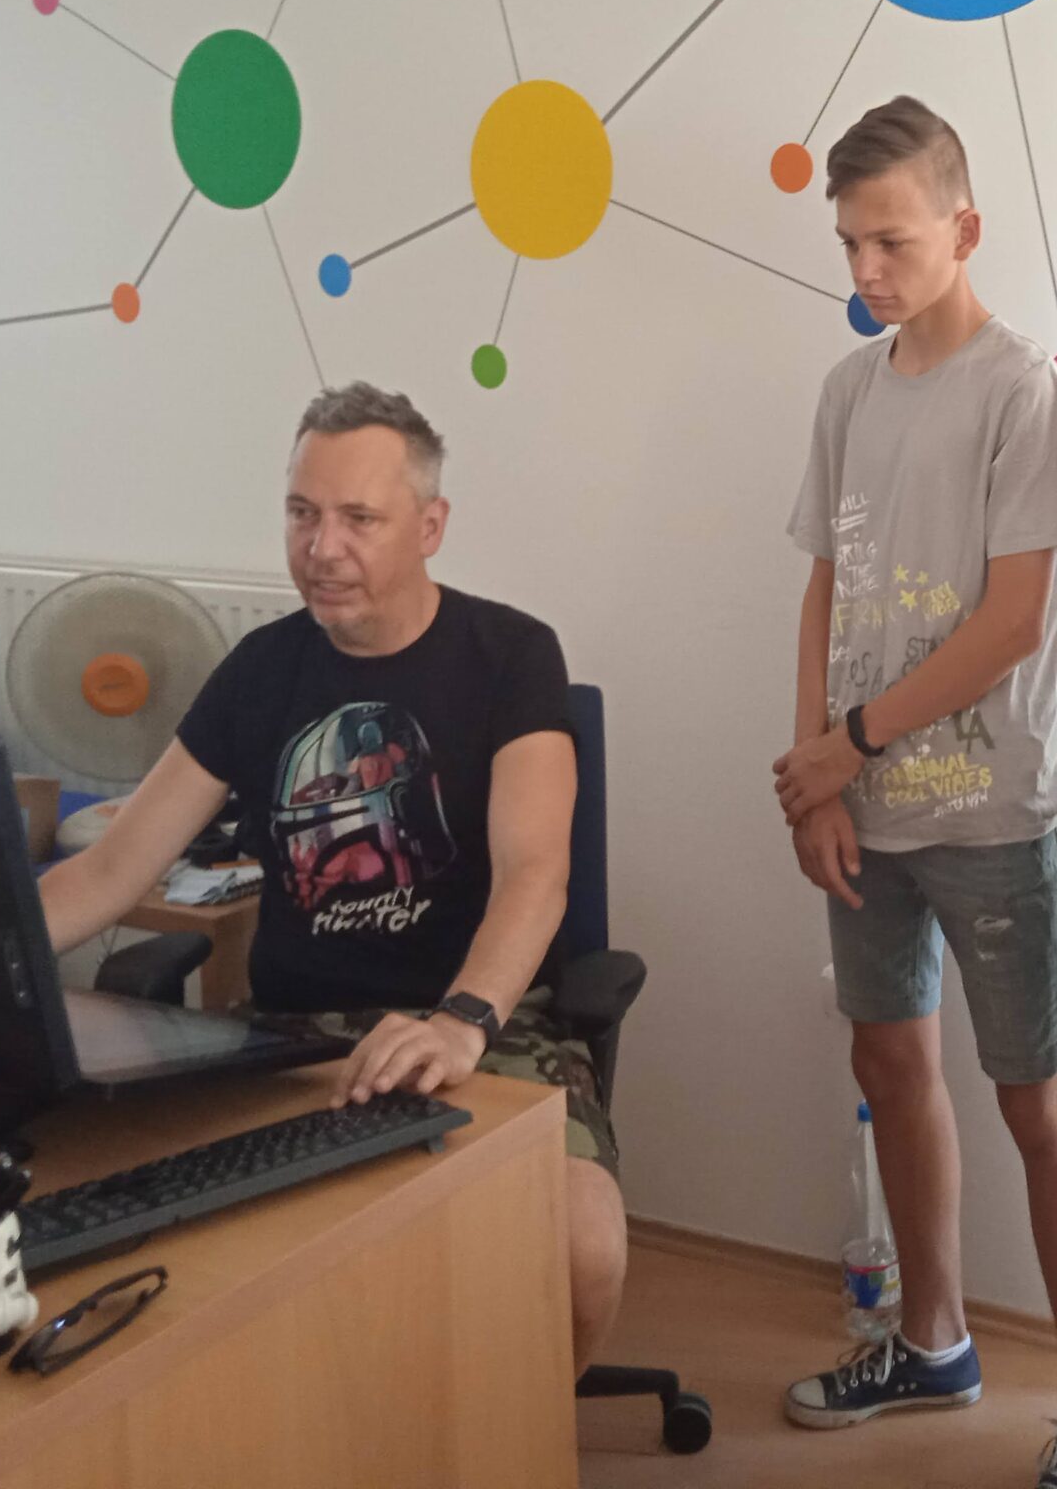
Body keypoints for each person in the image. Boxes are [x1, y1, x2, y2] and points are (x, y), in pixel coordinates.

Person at [38, 382, 628, 1370]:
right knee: (162, 1242)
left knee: (582, 1247)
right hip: (291, 1040)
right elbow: (109, 871)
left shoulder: (511, 656)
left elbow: (536, 873)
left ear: (430, 526)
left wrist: (461, 1021)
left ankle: (520, 1434)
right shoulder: (261, 670)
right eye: (302, 514)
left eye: (359, 518)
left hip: (480, 1027)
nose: (322, 548)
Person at [770, 96, 1057, 1489]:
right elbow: (824, 585)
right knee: (890, 1066)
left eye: (893, 242)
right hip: (864, 811)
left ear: (963, 229)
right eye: (850, 245)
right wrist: (817, 772)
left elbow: (1012, 621)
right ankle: (932, 1343)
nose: (867, 271)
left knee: (1037, 1106)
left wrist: (847, 741)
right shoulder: (847, 392)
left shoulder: (1021, 389)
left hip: (987, 815)